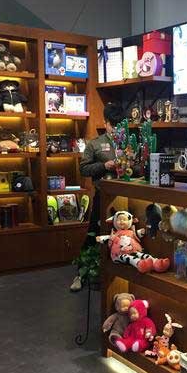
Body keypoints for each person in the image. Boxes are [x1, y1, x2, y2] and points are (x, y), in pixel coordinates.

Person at [70, 102, 123, 292]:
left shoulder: (128, 142)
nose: (116, 129)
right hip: (103, 196)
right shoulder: (95, 144)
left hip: (125, 196)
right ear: (106, 122)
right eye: (112, 125)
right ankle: (80, 274)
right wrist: (104, 166)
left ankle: (114, 276)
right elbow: (83, 169)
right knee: (94, 234)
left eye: (119, 125)